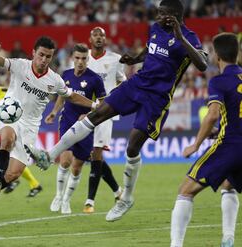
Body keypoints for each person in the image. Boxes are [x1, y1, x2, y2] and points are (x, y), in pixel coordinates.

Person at [25, 0, 208, 222]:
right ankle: (49, 155)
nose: (158, 16)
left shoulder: (189, 36)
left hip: (157, 97)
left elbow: (203, 64)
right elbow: (150, 51)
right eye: (158, 12)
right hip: (137, 83)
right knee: (97, 113)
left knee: (132, 146)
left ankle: (126, 198)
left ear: (175, 16)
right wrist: (136, 59)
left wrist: (180, 36)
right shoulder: (156, 28)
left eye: (163, 13)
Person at [0, 36, 98, 220]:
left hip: (30, 126)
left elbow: (72, 96)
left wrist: (94, 106)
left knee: (14, 173)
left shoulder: (55, 80)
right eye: (41, 55)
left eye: (48, 56)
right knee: (7, 140)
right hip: (11, 113)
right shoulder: (20, 65)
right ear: (33, 53)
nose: (44, 59)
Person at [170, 33, 241, 247]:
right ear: (237, 53)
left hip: (230, 145)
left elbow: (212, 115)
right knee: (228, 186)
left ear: (216, 55)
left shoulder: (218, 81)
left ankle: (176, 245)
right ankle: (228, 239)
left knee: (186, 190)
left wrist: (196, 144)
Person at [44, 43, 106, 214]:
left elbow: (102, 104)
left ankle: (66, 200)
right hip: (67, 121)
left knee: (77, 168)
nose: (80, 62)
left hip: (86, 127)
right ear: (72, 58)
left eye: (84, 59)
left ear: (88, 59)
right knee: (64, 161)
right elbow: (62, 96)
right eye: (77, 58)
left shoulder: (95, 79)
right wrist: (54, 112)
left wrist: (87, 116)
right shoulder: (66, 75)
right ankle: (58, 196)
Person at [82, 26, 127, 214]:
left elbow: (122, 81)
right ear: (90, 39)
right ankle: (118, 191)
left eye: (102, 35)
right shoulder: (83, 59)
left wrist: (113, 98)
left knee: (97, 154)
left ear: (105, 39)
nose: (99, 38)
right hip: (84, 111)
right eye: (95, 35)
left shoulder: (115, 59)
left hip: (106, 112)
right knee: (91, 156)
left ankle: (89, 201)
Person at [0, 70, 43, 197]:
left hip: (15, 130)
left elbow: (22, 105)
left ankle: (25, 183)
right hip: (4, 131)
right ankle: (31, 184)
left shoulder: (7, 92)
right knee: (1, 157)